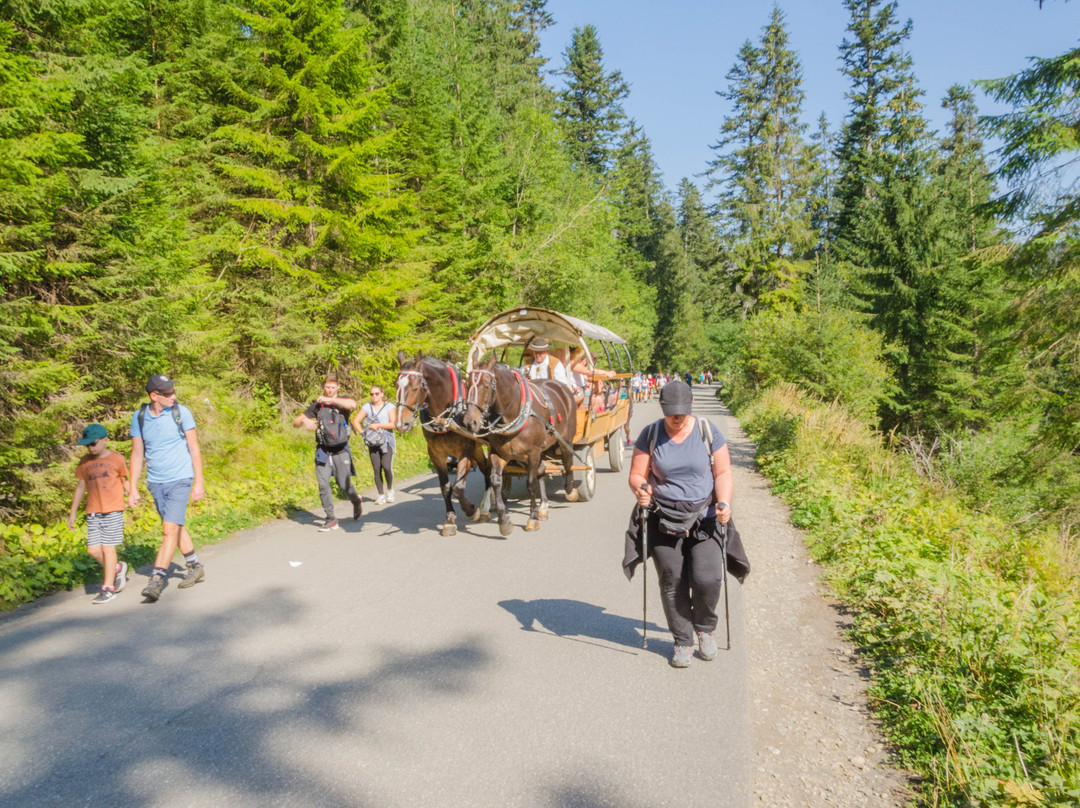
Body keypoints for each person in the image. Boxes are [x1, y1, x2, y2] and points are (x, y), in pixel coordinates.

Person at [627, 380, 735, 668]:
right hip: (664, 517)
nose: (676, 419)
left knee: (707, 578)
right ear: (662, 409)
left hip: (705, 518)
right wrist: (641, 489)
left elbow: (722, 470)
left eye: (681, 413)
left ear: (690, 409)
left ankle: (705, 629)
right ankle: (682, 640)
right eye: (671, 413)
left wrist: (724, 502)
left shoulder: (707, 431)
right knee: (672, 581)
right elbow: (637, 474)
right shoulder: (650, 434)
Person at [129, 374, 206, 602]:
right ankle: (195, 565)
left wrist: (199, 482)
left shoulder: (181, 413)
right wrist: (132, 487)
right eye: (168, 393)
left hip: (181, 478)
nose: (173, 396)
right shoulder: (139, 417)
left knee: (168, 530)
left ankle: (156, 579)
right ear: (154, 396)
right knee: (175, 526)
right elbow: (136, 454)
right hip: (156, 482)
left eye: (173, 391)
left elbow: (194, 448)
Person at [68, 424, 129, 604]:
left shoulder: (117, 459)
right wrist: (72, 513)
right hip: (93, 511)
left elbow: (124, 481)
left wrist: (132, 494)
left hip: (113, 509)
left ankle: (108, 588)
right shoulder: (85, 462)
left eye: (93, 443)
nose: (91, 448)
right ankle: (117, 567)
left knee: (108, 548)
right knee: (93, 550)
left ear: (105, 440)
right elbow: (80, 487)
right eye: (87, 445)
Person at [294, 373, 363, 531]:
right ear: (323, 387)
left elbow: (353, 404)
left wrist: (330, 400)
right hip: (323, 450)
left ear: (338, 387)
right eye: (327, 387)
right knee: (323, 485)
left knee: (343, 484)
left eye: (333, 387)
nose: (330, 390)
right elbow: (295, 423)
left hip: (341, 449)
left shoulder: (342, 402)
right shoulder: (317, 405)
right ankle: (331, 518)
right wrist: (305, 421)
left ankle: (356, 500)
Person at [351, 384, 397, 505]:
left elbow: (394, 424)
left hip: (387, 440)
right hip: (373, 441)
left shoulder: (389, 407)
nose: (374, 396)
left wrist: (379, 426)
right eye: (372, 394)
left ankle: (390, 489)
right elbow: (355, 421)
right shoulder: (367, 407)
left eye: (377, 393)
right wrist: (363, 434)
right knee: (377, 469)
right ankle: (380, 494)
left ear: (382, 394)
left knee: (386, 466)